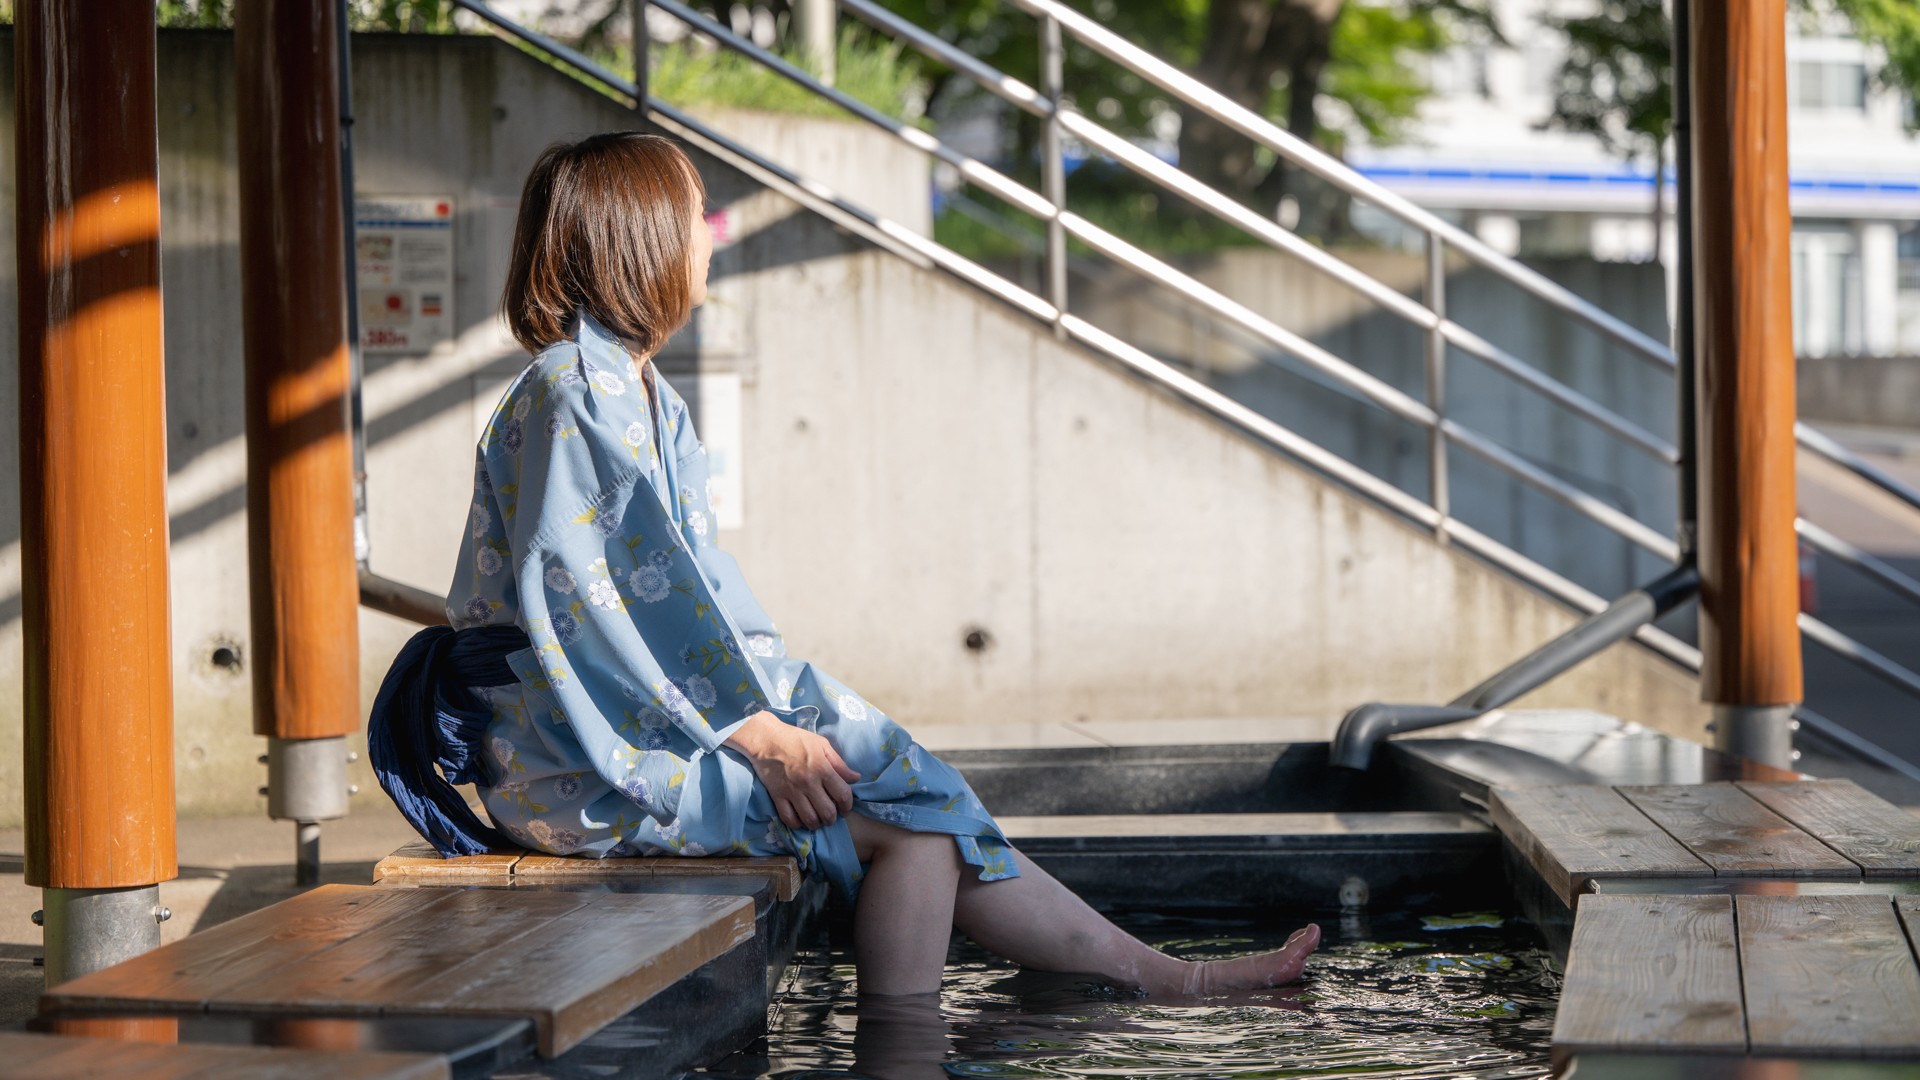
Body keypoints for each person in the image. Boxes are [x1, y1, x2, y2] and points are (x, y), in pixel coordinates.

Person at [370, 130, 1320, 999]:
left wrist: (796, 715)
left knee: (909, 774)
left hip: (635, 734)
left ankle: (1163, 978)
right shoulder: (576, 393)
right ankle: (913, 1052)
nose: (710, 237)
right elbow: (608, 604)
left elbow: (692, 598)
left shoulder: (635, 393)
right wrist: (760, 732)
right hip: (582, 766)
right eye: (696, 215)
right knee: (913, 825)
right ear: (642, 238)